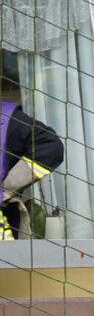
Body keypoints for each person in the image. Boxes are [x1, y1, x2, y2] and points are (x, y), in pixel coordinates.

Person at [0, 52, 64, 240]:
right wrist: (8, 188)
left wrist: (8, 187)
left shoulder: (9, 121)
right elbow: (50, 146)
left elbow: (50, 147)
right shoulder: (9, 119)